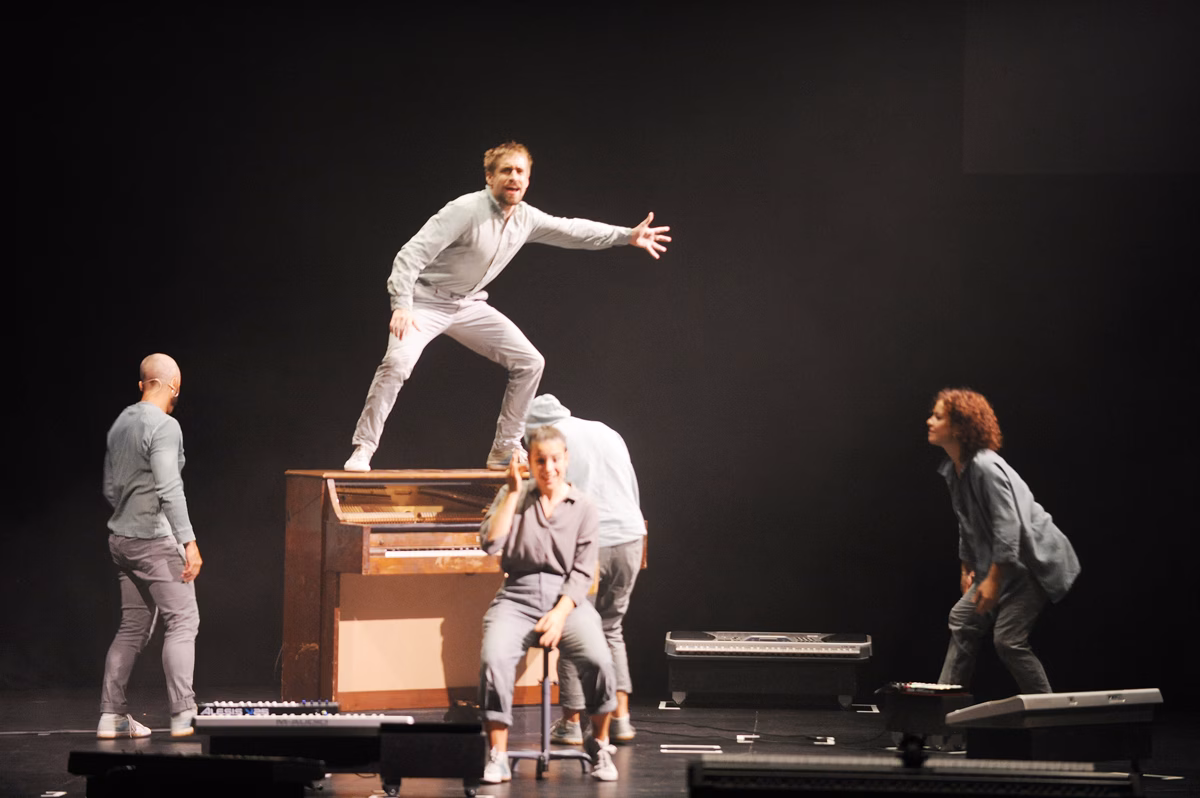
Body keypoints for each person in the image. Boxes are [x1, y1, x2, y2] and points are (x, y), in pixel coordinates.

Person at [343, 141, 671, 472]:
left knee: (530, 362)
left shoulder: (526, 218)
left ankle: (504, 449)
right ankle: (363, 448)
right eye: (506, 171)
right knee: (397, 363)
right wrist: (402, 304)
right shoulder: (464, 209)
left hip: (468, 305)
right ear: (490, 177)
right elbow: (409, 256)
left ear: (527, 180)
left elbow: (573, 229)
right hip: (424, 301)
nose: (513, 177)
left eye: (520, 172)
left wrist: (627, 235)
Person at [477, 426, 619, 783]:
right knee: (493, 659)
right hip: (517, 596)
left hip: (568, 601)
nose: (548, 468)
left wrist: (559, 613)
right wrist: (511, 493)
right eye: (540, 460)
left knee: (601, 660)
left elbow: (584, 570)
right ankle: (497, 753)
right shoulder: (513, 494)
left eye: (555, 460)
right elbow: (490, 543)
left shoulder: (584, 506)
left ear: (566, 459)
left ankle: (599, 745)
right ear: (531, 462)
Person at [927, 388, 1080, 694]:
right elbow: (967, 523)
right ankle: (942, 718)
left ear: (959, 427)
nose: (930, 421)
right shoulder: (955, 470)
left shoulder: (985, 466)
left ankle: (1047, 718)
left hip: (1031, 563)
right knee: (963, 621)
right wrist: (966, 566)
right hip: (1001, 564)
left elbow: (1007, 525)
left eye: (938, 416)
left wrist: (993, 580)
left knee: (1008, 641)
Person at [524, 394, 644, 745]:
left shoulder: (552, 444)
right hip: (632, 536)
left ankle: (572, 723)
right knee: (611, 627)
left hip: (590, 541)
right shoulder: (606, 431)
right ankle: (621, 719)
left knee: (572, 629)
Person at [98, 353, 203, 738]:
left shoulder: (120, 424)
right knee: (183, 620)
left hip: (120, 540)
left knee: (131, 628)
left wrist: (130, 513)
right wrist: (188, 542)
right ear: (174, 388)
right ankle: (183, 713)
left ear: (142, 384)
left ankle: (111, 717)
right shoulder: (165, 425)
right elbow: (169, 488)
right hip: (152, 541)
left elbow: (111, 488)